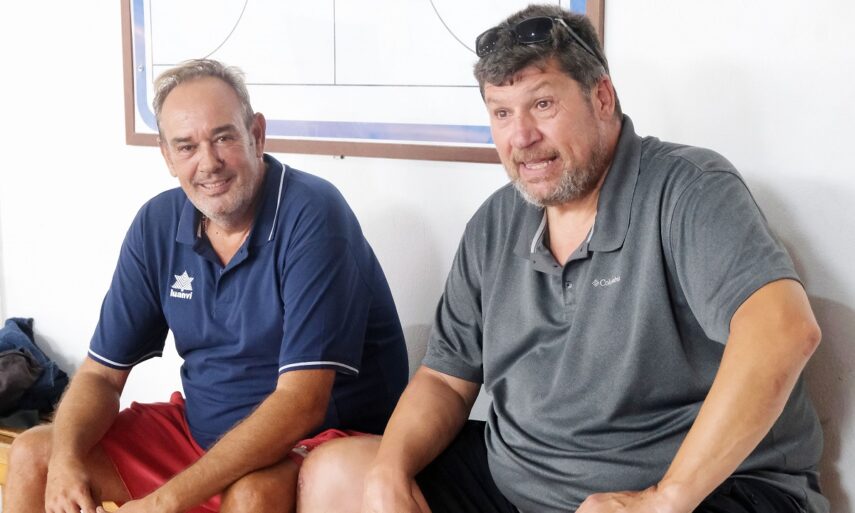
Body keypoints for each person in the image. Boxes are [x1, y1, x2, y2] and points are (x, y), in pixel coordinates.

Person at [296, 4, 829, 513]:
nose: (521, 136)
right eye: (502, 113)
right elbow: (443, 380)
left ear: (602, 97)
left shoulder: (688, 189)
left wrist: (665, 499)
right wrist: (389, 470)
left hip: (700, 491)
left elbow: (783, 331)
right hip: (525, 483)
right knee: (337, 475)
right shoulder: (495, 222)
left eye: (543, 105)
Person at [3, 59, 408, 513]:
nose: (209, 163)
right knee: (34, 455)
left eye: (223, 137)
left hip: (314, 439)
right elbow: (100, 376)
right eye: (187, 146)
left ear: (256, 135)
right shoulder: (156, 223)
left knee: (251, 497)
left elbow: (301, 403)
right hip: (203, 434)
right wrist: (65, 460)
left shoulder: (313, 214)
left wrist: (165, 501)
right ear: (167, 156)